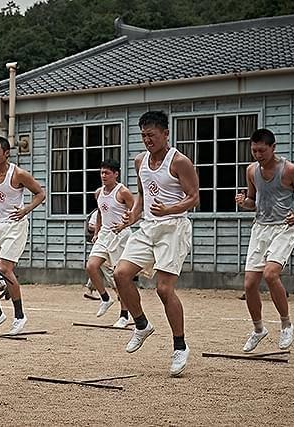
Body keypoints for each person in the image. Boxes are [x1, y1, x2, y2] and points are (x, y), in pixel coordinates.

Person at [113, 111, 199, 377]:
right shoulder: (140, 160)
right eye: (143, 136)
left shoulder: (180, 161)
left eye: (151, 135)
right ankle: (141, 324)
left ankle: (179, 347)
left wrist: (170, 209)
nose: (147, 140)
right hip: (148, 226)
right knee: (120, 274)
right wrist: (133, 215)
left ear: (165, 134)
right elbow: (142, 193)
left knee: (163, 290)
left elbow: (194, 197)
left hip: (173, 228)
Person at [235, 128, 294, 353]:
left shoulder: (290, 170)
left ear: (273, 148)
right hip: (260, 229)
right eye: (254, 151)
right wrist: (243, 202)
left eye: (262, 150)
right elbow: (252, 201)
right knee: (249, 284)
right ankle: (258, 329)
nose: (258, 155)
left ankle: (286, 324)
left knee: (270, 274)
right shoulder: (251, 171)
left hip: (283, 229)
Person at [0, 136, 46, 335]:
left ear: (6, 153)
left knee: (5, 269)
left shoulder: (18, 174)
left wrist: (26, 209)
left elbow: (40, 194)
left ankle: (19, 316)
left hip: (15, 226)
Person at [85, 160, 135, 328]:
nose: (103, 176)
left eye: (107, 173)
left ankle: (124, 315)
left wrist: (125, 224)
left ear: (116, 174)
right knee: (91, 266)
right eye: (101, 173)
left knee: (118, 277)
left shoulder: (123, 192)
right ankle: (105, 298)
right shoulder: (99, 192)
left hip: (120, 236)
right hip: (105, 235)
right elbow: (100, 213)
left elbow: (137, 213)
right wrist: (97, 232)